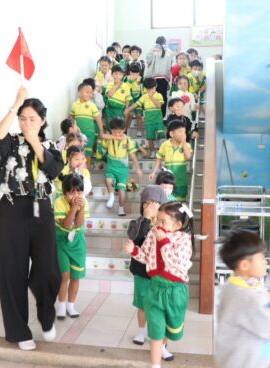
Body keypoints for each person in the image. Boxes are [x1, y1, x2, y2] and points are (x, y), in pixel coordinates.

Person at [0, 86, 64, 351]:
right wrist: (15, 103)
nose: (26, 123)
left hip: (42, 210)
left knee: (49, 271)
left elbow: (53, 169)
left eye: (32, 119)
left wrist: (35, 143)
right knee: (12, 272)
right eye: (22, 118)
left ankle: (46, 316)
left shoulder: (52, 146)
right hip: (11, 210)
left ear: (42, 121)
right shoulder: (10, 143)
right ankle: (19, 331)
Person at [124, 202, 194, 368]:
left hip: (175, 291)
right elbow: (146, 256)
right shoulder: (152, 234)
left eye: (163, 221)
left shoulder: (184, 240)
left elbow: (174, 262)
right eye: (157, 220)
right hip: (154, 288)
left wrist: (163, 240)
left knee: (171, 326)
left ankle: (163, 346)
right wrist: (134, 251)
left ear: (177, 225)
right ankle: (155, 364)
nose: (158, 224)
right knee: (156, 329)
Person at [216, 230, 270, 368]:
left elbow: (254, 301)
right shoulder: (244, 298)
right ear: (245, 265)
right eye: (262, 258)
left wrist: (269, 296)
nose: (265, 262)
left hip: (240, 358)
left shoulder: (234, 286)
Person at [127, 186, 169, 355]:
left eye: (154, 203)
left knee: (160, 307)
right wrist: (145, 219)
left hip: (160, 275)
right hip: (141, 272)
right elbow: (136, 239)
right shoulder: (136, 223)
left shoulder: (167, 225)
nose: (150, 207)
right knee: (142, 304)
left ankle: (159, 340)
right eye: (146, 203)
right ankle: (141, 331)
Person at [54, 173, 90, 320]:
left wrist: (81, 207)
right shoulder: (59, 201)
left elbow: (79, 224)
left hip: (78, 242)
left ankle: (71, 305)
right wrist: (74, 208)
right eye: (71, 192)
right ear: (65, 193)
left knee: (76, 277)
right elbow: (66, 225)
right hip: (61, 241)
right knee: (65, 276)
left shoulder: (84, 201)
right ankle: (61, 306)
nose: (76, 195)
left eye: (79, 192)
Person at [100, 117, 143, 216]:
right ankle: (111, 196)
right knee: (108, 181)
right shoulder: (109, 139)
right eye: (114, 132)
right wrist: (109, 137)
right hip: (111, 166)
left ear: (124, 130)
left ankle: (121, 208)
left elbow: (133, 155)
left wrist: (138, 168)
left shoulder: (128, 141)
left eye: (119, 132)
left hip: (123, 169)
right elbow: (103, 141)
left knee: (121, 189)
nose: (117, 134)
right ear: (111, 130)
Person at [149, 121, 192, 202]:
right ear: (172, 134)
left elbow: (188, 156)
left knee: (180, 201)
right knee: (169, 200)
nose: (183, 134)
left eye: (184, 132)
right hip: (169, 181)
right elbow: (158, 158)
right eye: (180, 132)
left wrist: (183, 143)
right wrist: (154, 172)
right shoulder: (165, 145)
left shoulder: (187, 145)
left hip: (181, 180)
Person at [125, 77, 164, 159]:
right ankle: (152, 152)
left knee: (161, 135)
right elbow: (136, 104)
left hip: (158, 120)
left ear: (156, 86)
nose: (150, 91)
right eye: (148, 89)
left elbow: (159, 106)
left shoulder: (159, 95)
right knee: (150, 138)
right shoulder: (144, 96)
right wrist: (128, 110)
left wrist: (151, 97)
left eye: (152, 88)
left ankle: (161, 149)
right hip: (149, 121)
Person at [70, 81, 105, 167]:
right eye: (87, 92)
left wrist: (101, 130)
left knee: (87, 154)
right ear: (79, 93)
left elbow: (98, 118)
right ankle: (79, 173)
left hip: (89, 133)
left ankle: (87, 173)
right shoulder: (75, 105)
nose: (90, 94)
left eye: (91, 93)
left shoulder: (92, 105)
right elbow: (71, 117)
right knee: (78, 154)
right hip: (78, 134)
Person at [145, 36, 173, 117]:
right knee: (162, 99)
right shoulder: (169, 51)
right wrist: (168, 81)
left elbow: (148, 61)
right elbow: (170, 67)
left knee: (151, 97)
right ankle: (162, 117)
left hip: (153, 79)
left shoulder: (153, 49)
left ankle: (152, 116)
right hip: (164, 79)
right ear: (165, 42)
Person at [125, 62, 144, 136]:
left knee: (139, 116)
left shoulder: (141, 79)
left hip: (139, 100)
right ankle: (126, 130)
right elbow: (126, 88)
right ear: (130, 72)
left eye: (136, 73)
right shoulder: (126, 78)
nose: (134, 75)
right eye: (132, 73)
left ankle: (139, 131)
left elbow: (143, 91)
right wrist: (132, 81)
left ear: (139, 73)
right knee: (130, 114)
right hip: (130, 100)